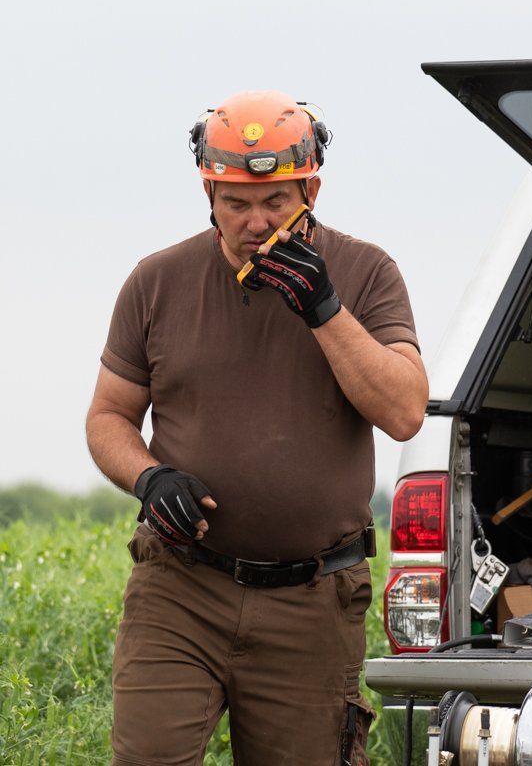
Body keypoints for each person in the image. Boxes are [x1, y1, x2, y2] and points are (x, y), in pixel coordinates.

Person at [86, 90, 428, 766]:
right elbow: (107, 417)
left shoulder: (366, 273)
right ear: (208, 194)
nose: (256, 222)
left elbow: (404, 412)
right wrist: (148, 477)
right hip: (180, 587)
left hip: (312, 598)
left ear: (311, 191)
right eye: (236, 203)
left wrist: (323, 309)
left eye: (276, 201)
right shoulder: (157, 281)